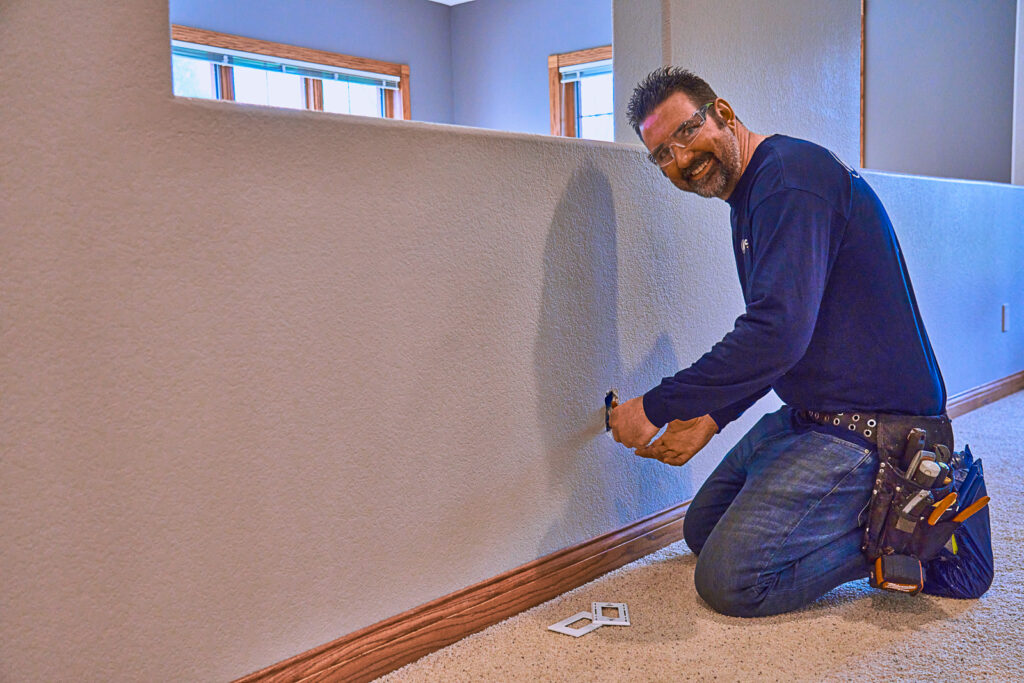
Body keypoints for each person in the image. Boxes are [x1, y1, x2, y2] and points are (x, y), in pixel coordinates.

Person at [609, 67, 993, 617]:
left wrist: (656, 406)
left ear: (723, 113)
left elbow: (777, 334)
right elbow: (789, 329)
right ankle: (878, 513)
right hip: (816, 413)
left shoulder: (788, 181)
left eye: (686, 133)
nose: (681, 159)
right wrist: (714, 416)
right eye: (662, 154)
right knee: (703, 530)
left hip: (880, 427)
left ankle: (917, 527)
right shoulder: (756, 191)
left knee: (729, 580)